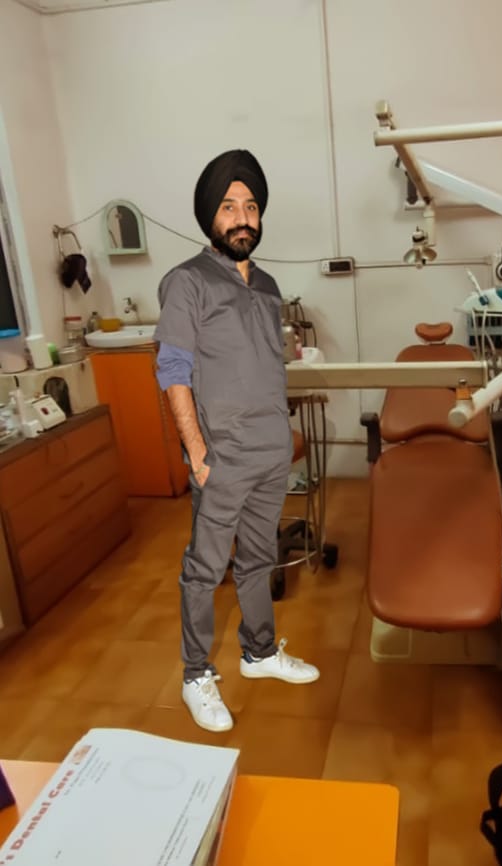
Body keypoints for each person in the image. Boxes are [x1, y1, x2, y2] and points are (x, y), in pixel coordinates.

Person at [154, 149, 319, 733]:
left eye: (250, 206)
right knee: (204, 569)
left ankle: (259, 652)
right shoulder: (187, 282)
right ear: (210, 216)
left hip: (270, 451)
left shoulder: (268, 285)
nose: (242, 217)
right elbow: (172, 369)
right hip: (221, 456)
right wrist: (197, 452)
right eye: (229, 207)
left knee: (257, 559)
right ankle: (196, 674)